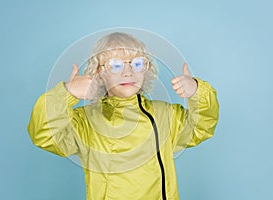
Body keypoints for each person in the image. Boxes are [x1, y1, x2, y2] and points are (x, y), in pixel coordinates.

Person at [27, 32, 219, 200]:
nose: (128, 73)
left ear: (146, 69)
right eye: (115, 65)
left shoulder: (164, 114)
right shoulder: (86, 122)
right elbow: (44, 134)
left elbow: (200, 127)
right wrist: (67, 93)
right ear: (99, 73)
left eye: (137, 64)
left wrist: (197, 91)